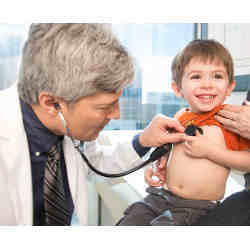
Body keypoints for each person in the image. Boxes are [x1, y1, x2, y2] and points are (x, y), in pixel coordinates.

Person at [0, 23, 185, 226]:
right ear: (52, 103)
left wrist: (144, 140)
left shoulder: (69, 127)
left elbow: (96, 163)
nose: (116, 114)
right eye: (105, 107)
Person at [116, 39, 250, 226]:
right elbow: (170, 148)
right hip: (160, 196)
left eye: (217, 76)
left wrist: (211, 152)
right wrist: (159, 164)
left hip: (195, 207)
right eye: (196, 77)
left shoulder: (231, 120)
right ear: (177, 89)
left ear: (229, 88)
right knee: (129, 220)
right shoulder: (180, 115)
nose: (207, 85)